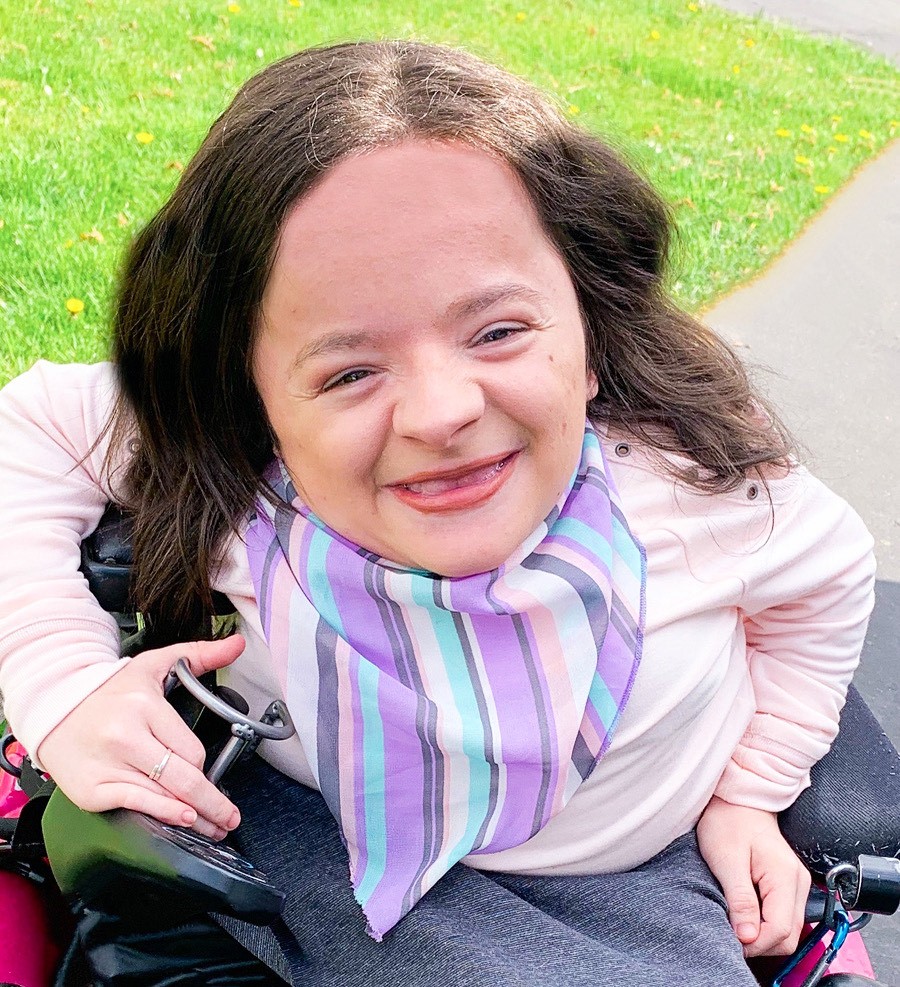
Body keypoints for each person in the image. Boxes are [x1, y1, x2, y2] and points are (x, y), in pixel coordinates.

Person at [0, 40, 877, 986]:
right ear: (250, 395)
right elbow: (30, 430)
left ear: (591, 335)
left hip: (624, 881)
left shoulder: (695, 484)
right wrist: (65, 687)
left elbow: (830, 584)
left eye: (498, 330)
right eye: (348, 371)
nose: (441, 412)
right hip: (305, 831)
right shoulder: (239, 456)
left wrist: (749, 796)